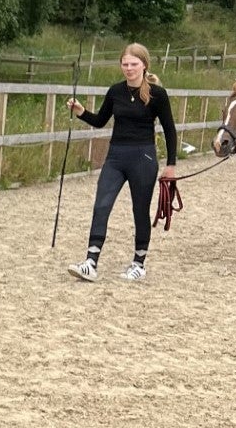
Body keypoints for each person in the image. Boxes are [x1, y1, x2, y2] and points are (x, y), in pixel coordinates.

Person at [66, 43, 177, 283]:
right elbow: (100, 120)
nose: (129, 68)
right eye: (125, 64)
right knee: (101, 205)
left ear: (144, 65)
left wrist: (171, 164)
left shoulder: (158, 94)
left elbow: (170, 130)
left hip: (143, 158)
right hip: (116, 156)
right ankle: (90, 262)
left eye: (133, 64)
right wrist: (81, 111)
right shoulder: (115, 91)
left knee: (139, 210)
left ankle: (139, 263)